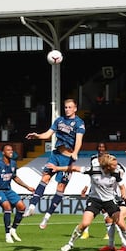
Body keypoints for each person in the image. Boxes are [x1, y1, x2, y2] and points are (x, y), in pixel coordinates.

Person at [49, 153, 126, 251]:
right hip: (94, 200)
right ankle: (69, 244)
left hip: (109, 201)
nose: (116, 166)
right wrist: (57, 168)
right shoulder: (93, 170)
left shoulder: (116, 173)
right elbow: (74, 168)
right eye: (114, 165)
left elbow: (122, 187)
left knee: (121, 223)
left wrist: (124, 195)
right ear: (107, 166)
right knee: (85, 223)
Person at [24, 98, 86, 229]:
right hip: (55, 155)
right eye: (66, 107)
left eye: (70, 107)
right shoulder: (59, 120)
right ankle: (31, 206)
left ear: (75, 108)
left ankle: (46, 218)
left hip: (67, 159)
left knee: (60, 188)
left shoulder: (79, 123)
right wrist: (37, 136)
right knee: (45, 178)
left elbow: (79, 140)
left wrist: (75, 152)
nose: (67, 109)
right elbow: (48, 134)